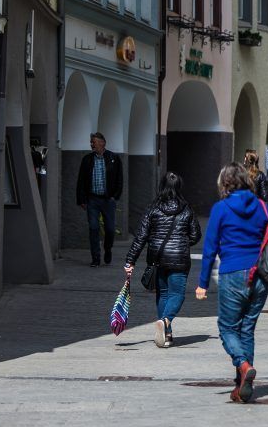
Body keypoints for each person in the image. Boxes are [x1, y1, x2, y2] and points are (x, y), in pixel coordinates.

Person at [196, 162, 268, 403]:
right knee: (247, 328)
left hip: (232, 273)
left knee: (227, 328)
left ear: (225, 183)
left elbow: (210, 249)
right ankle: (242, 386)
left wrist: (203, 283)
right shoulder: (262, 206)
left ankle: (243, 364)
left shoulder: (221, 208)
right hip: (260, 274)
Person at [123, 172, 202, 348]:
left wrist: (130, 261)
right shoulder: (187, 209)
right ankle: (166, 322)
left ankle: (166, 333)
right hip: (179, 259)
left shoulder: (153, 208)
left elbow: (140, 237)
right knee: (178, 294)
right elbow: (196, 235)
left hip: (157, 258)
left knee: (164, 294)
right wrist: (181, 242)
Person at [76, 132, 123, 267]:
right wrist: (82, 200)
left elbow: (120, 179)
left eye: (94, 142)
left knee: (109, 229)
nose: (92, 144)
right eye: (91, 142)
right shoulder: (87, 160)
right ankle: (95, 258)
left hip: (108, 200)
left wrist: (115, 196)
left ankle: (107, 249)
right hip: (92, 200)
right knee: (93, 227)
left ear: (103, 143)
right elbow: (81, 181)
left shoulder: (113, 158)